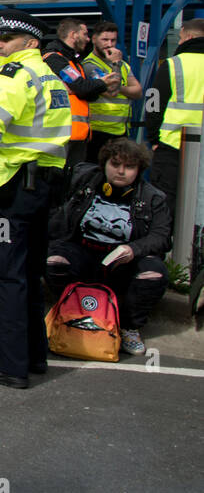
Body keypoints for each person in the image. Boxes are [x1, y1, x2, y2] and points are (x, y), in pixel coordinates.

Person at [0, 9, 71, 389]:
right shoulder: (49, 77)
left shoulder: (13, 75)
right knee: (27, 273)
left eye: (7, 39)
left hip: (11, 186)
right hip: (41, 187)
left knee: (3, 275)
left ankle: (8, 365)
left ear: (31, 43)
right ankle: (32, 356)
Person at [46, 139, 170, 357]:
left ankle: (130, 327)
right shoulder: (83, 179)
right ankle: (69, 310)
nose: (121, 171)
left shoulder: (153, 197)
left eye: (129, 167)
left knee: (153, 273)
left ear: (138, 170)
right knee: (54, 260)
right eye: (115, 164)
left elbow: (161, 236)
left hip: (123, 261)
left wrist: (133, 249)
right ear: (104, 164)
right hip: (83, 251)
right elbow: (55, 207)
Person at [144, 18, 204, 221]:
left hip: (172, 146)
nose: (179, 42)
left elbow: (153, 104)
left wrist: (153, 140)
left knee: (164, 206)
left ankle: (165, 250)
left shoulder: (172, 65)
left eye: (180, 38)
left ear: (189, 37)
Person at [43, 17, 115, 169]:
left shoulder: (74, 62)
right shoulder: (54, 58)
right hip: (63, 136)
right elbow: (82, 87)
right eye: (85, 34)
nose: (88, 39)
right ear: (74, 35)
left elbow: (89, 93)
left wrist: (82, 88)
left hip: (78, 136)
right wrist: (102, 83)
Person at [83, 21, 142, 160]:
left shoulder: (123, 65)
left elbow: (138, 91)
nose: (109, 44)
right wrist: (115, 64)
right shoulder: (89, 64)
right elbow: (111, 91)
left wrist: (119, 86)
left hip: (120, 130)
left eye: (113, 40)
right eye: (105, 40)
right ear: (94, 39)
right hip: (98, 131)